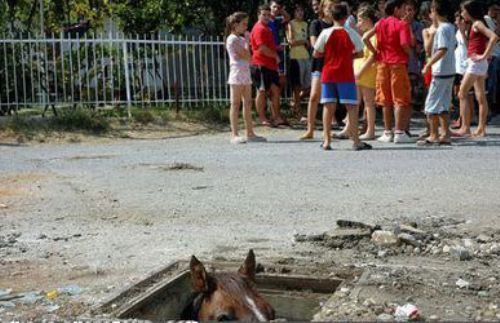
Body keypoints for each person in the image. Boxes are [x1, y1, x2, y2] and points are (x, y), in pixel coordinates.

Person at [314, 2, 372, 151]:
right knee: (352, 107)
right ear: (346, 17)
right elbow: (360, 52)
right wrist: (347, 56)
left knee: (328, 106)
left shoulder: (325, 33)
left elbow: (316, 52)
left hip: (328, 73)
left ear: (331, 16)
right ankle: (355, 141)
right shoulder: (350, 32)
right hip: (345, 73)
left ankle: (327, 141)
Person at [363, 0, 414, 143]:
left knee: (385, 100)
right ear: (396, 9)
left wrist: (375, 52)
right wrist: (411, 54)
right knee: (400, 99)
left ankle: (387, 132)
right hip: (398, 64)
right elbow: (404, 44)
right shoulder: (402, 24)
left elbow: (366, 38)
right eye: (403, 8)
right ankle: (399, 132)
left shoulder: (380, 23)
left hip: (382, 64)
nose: (404, 12)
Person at [457, 0, 499, 138]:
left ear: (470, 11)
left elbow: (493, 37)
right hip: (477, 63)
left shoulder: (477, 23)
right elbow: (474, 44)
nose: (462, 13)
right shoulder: (476, 24)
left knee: (462, 93)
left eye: (463, 11)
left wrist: (484, 55)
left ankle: (465, 127)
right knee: (480, 97)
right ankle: (481, 129)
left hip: (476, 63)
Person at [418, 0, 456, 146]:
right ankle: (445, 134)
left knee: (431, 104)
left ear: (435, 10)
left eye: (432, 9)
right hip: (449, 70)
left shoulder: (442, 29)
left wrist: (428, 64)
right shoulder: (450, 27)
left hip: (441, 71)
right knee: (444, 104)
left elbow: (442, 49)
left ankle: (434, 135)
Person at [225, 12, 266, 144]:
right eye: (243, 24)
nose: (245, 27)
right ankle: (234, 134)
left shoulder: (242, 40)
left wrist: (247, 44)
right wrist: (248, 43)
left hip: (245, 72)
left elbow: (249, 56)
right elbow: (245, 55)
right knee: (235, 103)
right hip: (237, 73)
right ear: (235, 25)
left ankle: (250, 133)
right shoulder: (232, 39)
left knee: (247, 103)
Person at [300, 0, 334, 140]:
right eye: (328, 7)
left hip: (333, 65)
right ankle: (310, 129)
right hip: (320, 64)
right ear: (322, 8)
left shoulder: (338, 25)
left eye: (333, 7)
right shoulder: (316, 24)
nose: (330, 9)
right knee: (314, 96)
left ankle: (330, 129)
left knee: (331, 99)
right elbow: (314, 45)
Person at [250, 4, 287, 127]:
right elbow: (262, 49)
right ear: (258, 15)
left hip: (270, 66)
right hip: (260, 64)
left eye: (267, 15)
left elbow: (268, 45)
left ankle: (276, 117)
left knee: (276, 91)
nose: (266, 17)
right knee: (261, 91)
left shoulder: (268, 28)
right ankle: (262, 118)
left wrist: (275, 49)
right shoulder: (259, 28)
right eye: (263, 15)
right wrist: (276, 56)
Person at [354, 5, 378, 140]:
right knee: (356, 101)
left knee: (368, 102)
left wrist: (360, 71)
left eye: (360, 20)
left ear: (368, 20)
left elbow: (373, 56)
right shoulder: (366, 35)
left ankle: (371, 130)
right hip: (361, 71)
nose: (358, 24)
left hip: (367, 72)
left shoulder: (373, 36)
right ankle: (351, 127)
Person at [286, 4, 311, 120]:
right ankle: (298, 112)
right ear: (294, 13)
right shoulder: (290, 24)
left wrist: (307, 42)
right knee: (297, 86)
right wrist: (303, 41)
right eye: (298, 11)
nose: (300, 13)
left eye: (302, 11)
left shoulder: (306, 24)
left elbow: (307, 41)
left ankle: (294, 103)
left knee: (308, 86)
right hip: (295, 56)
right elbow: (291, 41)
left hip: (306, 56)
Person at [269, 0, 291, 105]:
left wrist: (281, 10)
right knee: (271, 83)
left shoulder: (276, 21)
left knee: (281, 80)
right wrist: (275, 47)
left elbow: (287, 18)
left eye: (277, 7)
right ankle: (271, 108)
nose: (276, 9)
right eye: (274, 7)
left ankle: (274, 104)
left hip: (278, 54)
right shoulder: (266, 21)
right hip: (269, 54)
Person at [484, 1, 500, 116]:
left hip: (497, 54)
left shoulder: (494, 21)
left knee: (495, 83)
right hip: (492, 56)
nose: (497, 12)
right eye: (496, 10)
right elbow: (494, 36)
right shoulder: (486, 20)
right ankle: (489, 108)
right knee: (490, 84)